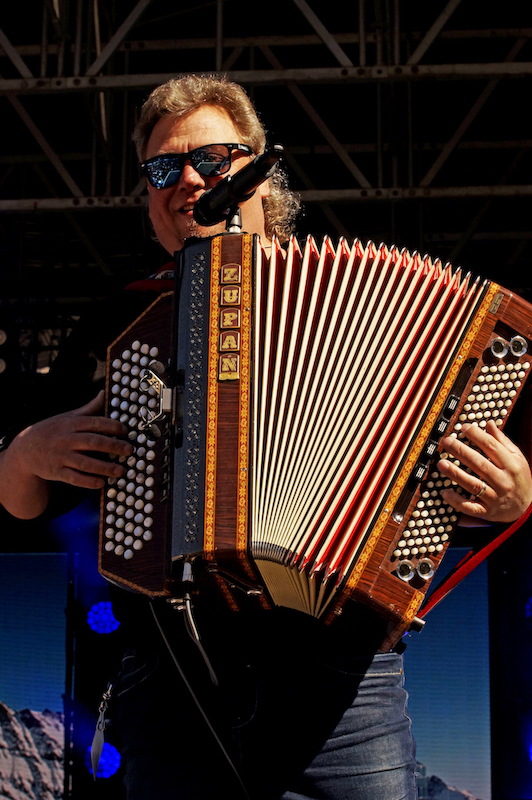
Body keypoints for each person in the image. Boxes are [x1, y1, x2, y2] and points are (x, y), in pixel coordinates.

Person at [0, 74, 531, 800]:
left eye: (213, 160)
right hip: (171, 675)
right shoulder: (119, 325)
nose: (189, 180)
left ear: (260, 173)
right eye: (163, 168)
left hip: (340, 680)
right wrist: (26, 452)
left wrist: (512, 493)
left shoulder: (362, 305)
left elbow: (460, 485)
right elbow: (20, 501)